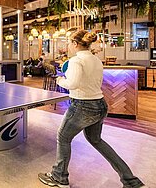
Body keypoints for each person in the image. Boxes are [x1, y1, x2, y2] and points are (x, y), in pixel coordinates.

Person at [38, 30, 145, 188]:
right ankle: (131, 181)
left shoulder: (76, 61)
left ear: (75, 44)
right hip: (100, 104)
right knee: (96, 140)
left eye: (69, 42)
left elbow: (72, 84)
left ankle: (59, 177)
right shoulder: (96, 60)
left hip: (82, 106)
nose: (68, 45)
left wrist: (60, 79)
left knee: (63, 138)